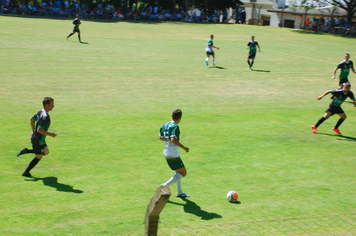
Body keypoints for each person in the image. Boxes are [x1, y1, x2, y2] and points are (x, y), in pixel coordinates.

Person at [17, 97, 57, 177]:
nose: (53, 106)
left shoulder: (41, 111)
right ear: (46, 105)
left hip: (36, 138)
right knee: (40, 155)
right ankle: (26, 172)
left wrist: (32, 131)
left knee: (45, 152)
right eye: (52, 105)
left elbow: (32, 119)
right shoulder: (45, 116)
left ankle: (27, 152)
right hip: (39, 139)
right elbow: (39, 130)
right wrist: (51, 134)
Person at [159, 109, 190, 198]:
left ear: (171, 116)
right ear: (180, 118)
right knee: (183, 173)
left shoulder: (164, 125)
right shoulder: (175, 126)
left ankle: (180, 193)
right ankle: (164, 186)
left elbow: (161, 137)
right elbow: (173, 139)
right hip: (173, 153)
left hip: (166, 152)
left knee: (178, 172)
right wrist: (184, 148)